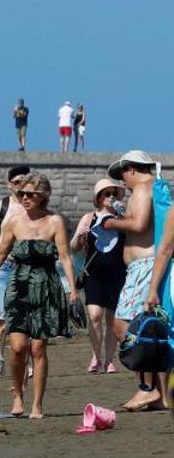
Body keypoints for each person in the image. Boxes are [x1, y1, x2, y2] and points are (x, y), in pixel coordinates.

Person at [0, 174, 77, 418]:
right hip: (19, 286)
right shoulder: (13, 221)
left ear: (43, 196)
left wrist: (73, 289)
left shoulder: (55, 222)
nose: (25, 198)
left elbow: (65, 257)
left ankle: (37, 404)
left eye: (30, 194)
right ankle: (18, 395)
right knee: (18, 346)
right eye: (22, 194)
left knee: (38, 348)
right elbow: (0, 254)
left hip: (46, 286)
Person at [101, 150, 166, 410]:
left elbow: (138, 225)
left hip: (144, 267)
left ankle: (146, 388)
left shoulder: (141, 188)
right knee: (149, 328)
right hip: (149, 265)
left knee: (124, 326)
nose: (122, 183)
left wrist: (108, 223)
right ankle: (159, 394)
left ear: (131, 169)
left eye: (122, 176)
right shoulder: (157, 187)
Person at [0, 165, 32, 378]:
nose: (21, 186)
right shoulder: (1, 207)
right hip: (2, 267)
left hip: (26, 267)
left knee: (26, 315)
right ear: (9, 184)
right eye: (17, 182)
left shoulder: (32, 205)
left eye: (25, 181)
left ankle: (27, 361)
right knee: (0, 315)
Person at [73, 179, 127, 374]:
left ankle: (109, 360)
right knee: (95, 315)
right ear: (98, 198)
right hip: (94, 273)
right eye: (106, 194)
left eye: (113, 193)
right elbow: (73, 248)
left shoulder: (123, 219)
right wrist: (79, 237)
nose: (110, 197)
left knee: (112, 319)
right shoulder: (89, 218)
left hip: (118, 273)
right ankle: (96, 356)